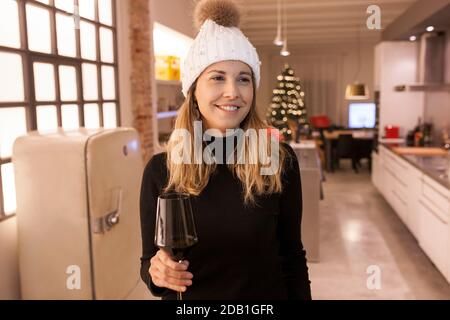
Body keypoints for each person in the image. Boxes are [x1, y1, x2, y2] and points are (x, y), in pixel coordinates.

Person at [139, 0, 311, 300]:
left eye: (244, 79)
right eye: (217, 77)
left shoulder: (279, 161)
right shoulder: (161, 170)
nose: (233, 91)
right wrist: (157, 272)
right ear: (194, 92)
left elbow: (292, 257)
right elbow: (149, 263)